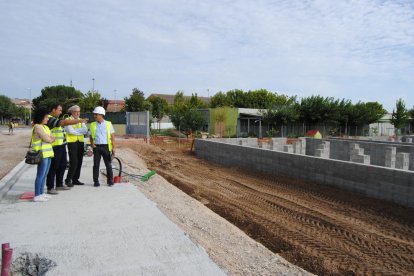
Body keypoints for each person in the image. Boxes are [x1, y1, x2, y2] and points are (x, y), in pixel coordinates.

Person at [46, 104, 88, 195]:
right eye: (59, 110)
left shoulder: (57, 119)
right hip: (55, 146)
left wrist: (78, 127)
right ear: (53, 110)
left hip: (62, 145)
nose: (61, 112)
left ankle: (59, 184)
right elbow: (67, 127)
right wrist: (79, 121)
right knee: (54, 167)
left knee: (63, 165)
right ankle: (50, 187)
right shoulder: (49, 119)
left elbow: (85, 130)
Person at [32, 110, 55, 202]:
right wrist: (50, 139)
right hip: (42, 154)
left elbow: (51, 138)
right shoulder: (38, 127)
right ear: (41, 117)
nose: (48, 119)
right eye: (46, 117)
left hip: (48, 154)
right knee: (40, 175)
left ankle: (41, 193)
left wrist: (50, 138)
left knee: (44, 175)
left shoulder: (45, 127)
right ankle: (37, 195)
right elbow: (48, 139)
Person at [89, 106, 115, 187]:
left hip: (106, 147)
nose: (95, 116)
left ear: (101, 114)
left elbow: (112, 137)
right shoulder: (92, 124)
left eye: (96, 114)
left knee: (108, 164)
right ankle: (96, 181)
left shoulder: (108, 124)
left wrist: (114, 148)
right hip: (96, 147)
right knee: (96, 165)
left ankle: (110, 181)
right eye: (94, 114)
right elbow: (90, 136)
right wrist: (92, 144)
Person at [64, 105, 88, 187]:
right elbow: (70, 131)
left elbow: (85, 130)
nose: (78, 113)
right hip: (72, 142)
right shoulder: (67, 120)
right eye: (76, 111)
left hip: (80, 142)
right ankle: (68, 179)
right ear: (72, 112)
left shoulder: (80, 120)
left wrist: (76, 131)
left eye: (79, 111)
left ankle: (75, 179)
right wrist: (79, 131)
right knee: (74, 162)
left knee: (80, 162)